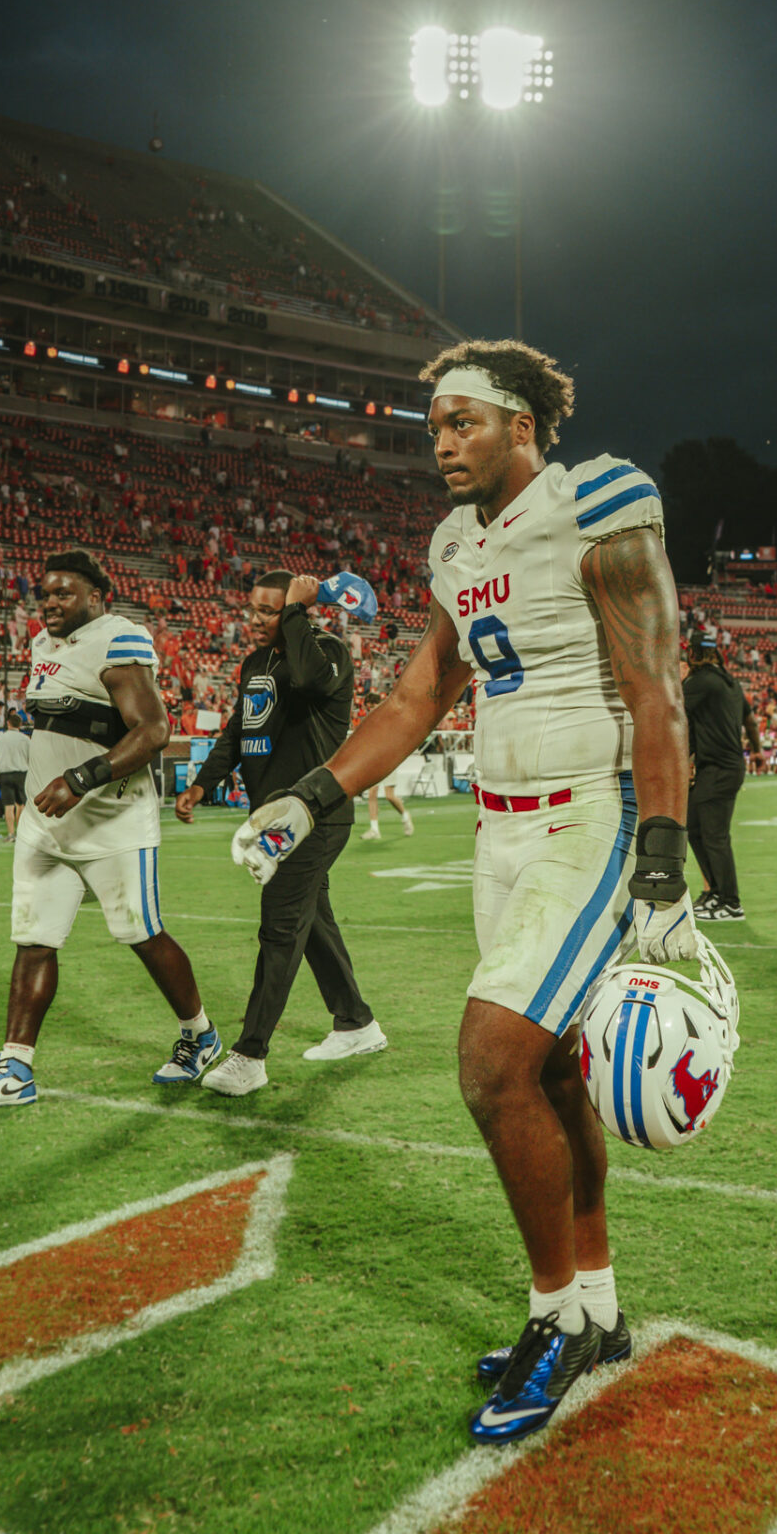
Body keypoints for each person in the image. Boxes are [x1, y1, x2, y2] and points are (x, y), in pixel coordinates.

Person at [232, 340, 700, 1445]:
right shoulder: (454, 543)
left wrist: (662, 855)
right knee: (551, 1074)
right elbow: (416, 698)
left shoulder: (595, 503)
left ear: (522, 424)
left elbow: (654, 686)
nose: (440, 443)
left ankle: (554, 1318)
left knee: (491, 1064)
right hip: (497, 827)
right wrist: (310, 794)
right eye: (434, 426)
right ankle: (597, 1307)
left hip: (589, 813)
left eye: (463, 423)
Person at [0, 549, 220, 1112]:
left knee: (142, 934)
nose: (50, 602)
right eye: (45, 593)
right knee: (34, 940)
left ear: (95, 597)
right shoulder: (42, 645)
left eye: (63, 593)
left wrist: (79, 778)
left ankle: (200, 1034)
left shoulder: (118, 638)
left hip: (112, 818)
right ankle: (15, 1069)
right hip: (46, 821)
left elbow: (154, 730)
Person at [175, 569, 384, 1095]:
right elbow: (237, 731)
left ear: (296, 611)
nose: (256, 620)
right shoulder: (255, 663)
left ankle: (250, 1054)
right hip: (273, 816)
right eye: (255, 609)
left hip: (317, 815)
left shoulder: (327, 652)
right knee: (312, 923)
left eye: (270, 611)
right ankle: (356, 1023)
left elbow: (309, 680)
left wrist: (296, 612)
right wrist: (201, 784)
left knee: (280, 927)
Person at [682, 630, 761, 921]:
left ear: (692, 653)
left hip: (719, 769)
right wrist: (758, 751)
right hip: (722, 767)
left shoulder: (699, 682)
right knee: (694, 825)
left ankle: (730, 902)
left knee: (714, 836)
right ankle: (715, 892)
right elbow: (750, 721)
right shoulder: (730, 682)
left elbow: (674, 713)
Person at [0, 708, 32, 843]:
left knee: (8, 806)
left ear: (8, 723)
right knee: (21, 805)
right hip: (22, 774)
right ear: (20, 725)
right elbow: (32, 759)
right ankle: (21, 834)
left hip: (6, 775)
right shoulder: (25, 739)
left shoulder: (0, 738)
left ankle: (11, 834)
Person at [363, 767, 415, 841]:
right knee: (372, 793)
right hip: (375, 764)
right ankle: (374, 830)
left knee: (389, 795)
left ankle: (405, 816)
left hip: (389, 764)